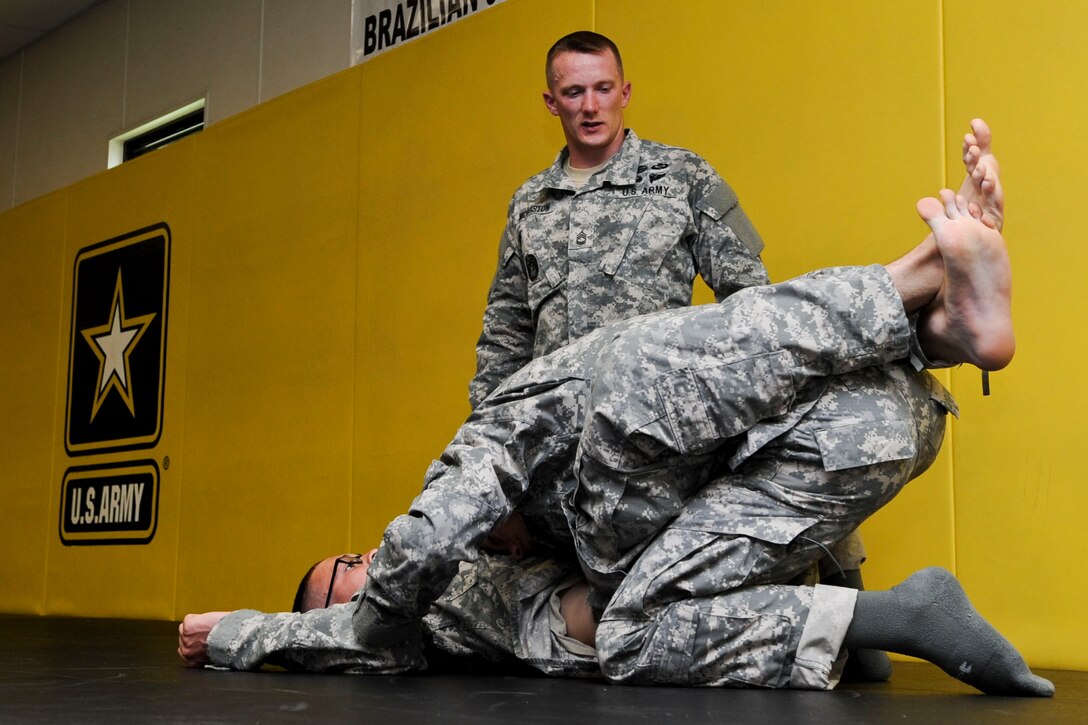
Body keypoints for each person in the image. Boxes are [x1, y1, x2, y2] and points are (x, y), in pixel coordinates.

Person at [181, 165, 1049, 695]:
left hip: (854, 420)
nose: (362, 564)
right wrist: (240, 630)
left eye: (349, 556)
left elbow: (429, 527)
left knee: (656, 372)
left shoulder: (495, 462)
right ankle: (920, 306)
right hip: (861, 439)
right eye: (339, 582)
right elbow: (376, 614)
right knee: (635, 584)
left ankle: (927, 307)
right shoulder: (427, 610)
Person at [470, 31, 768, 408]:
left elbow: (750, 300)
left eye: (603, 89)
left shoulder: (684, 176)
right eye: (574, 92)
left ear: (624, 93)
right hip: (555, 429)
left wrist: (713, 402)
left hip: (655, 421)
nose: (590, 106)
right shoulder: (529, 202)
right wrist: (487, 425)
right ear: (552, 103)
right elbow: (505, 336)